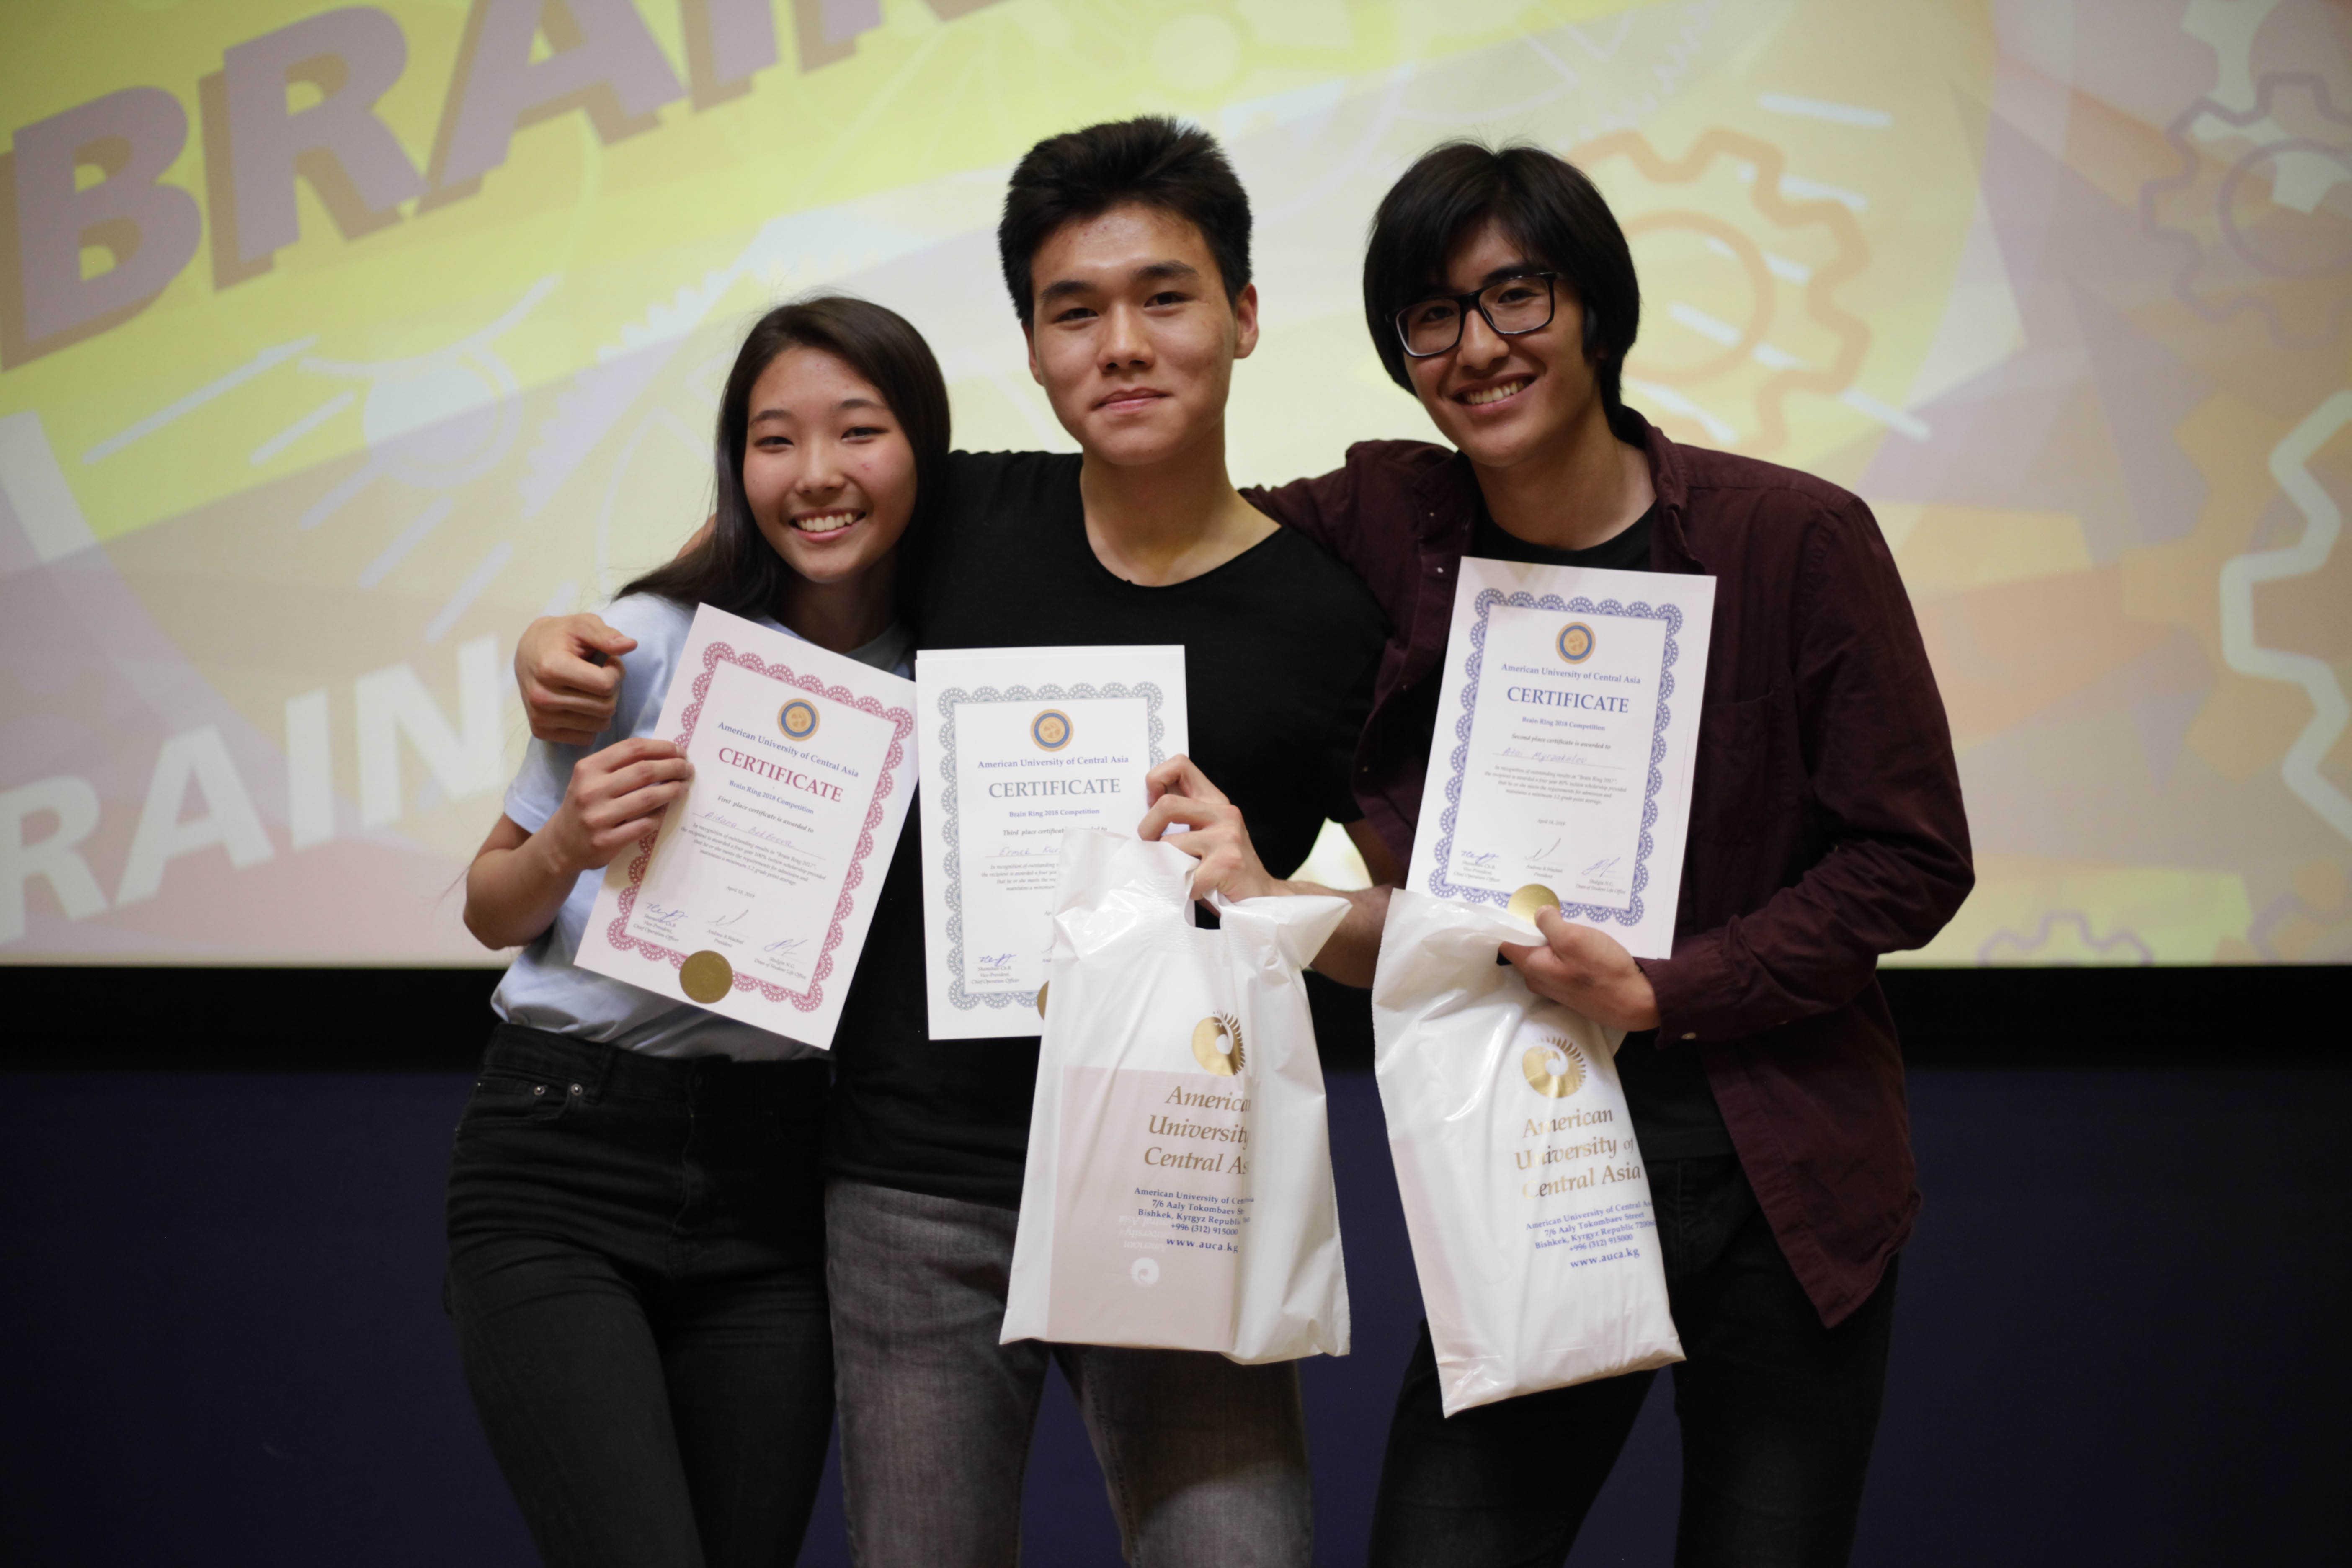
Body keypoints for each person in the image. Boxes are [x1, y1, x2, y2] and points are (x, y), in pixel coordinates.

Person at [510, 119, 1390, 1567]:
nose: (1121, 345)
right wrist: (557, 641)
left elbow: (1415, 933)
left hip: (1175, 1175)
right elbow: (740, 580)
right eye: (1073, 311)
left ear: (1243, 314)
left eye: (1165, 297)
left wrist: (1276, 894)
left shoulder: (1332, 618)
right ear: (1032, 348)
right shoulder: (959, 513)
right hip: (912, 1190)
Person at [1248, 142, 1974, 1567]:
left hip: (1783, 1184)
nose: (1478, 348)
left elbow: (1911, 858)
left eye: (1516, 296)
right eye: (1433, 316)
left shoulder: (1796, 538)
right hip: (1530, 1167)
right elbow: (1177, 554)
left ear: (1597, 308)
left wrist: (1671, 987)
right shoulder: (1392, 523)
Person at [447, 295, 944, 1568]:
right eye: (775, 441)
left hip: (777, 1186)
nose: (816, 473)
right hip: (563, 1150)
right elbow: (490, 906)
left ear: (925, 447)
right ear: (738, 466)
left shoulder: (948, 679)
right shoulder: (655, 642)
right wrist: (567, 844)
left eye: (859, 431)